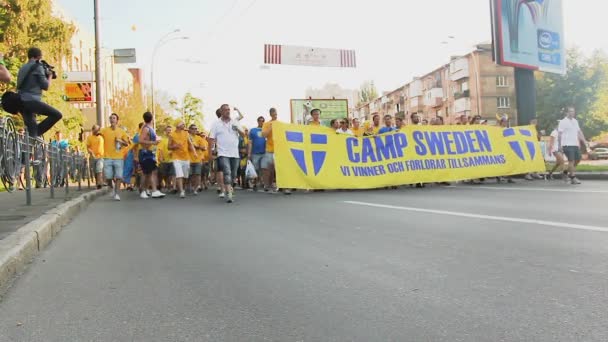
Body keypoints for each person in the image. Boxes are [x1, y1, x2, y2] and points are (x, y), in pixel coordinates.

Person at [17, 47, 62, 138]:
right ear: (38, 57)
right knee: (56, 115)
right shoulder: (38, 67)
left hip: (21, 102)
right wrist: (49, 76)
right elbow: (46, 86)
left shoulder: (22, 68)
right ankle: (36, 133)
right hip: (32, 101)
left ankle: (32, 142)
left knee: (32, 130)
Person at [209, 104, 245, 203]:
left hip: (234, 153)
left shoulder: (235, 122)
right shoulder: (216, 124)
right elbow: (211, 138)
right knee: (227, 172)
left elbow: (243, 134)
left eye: (229, 110)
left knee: (233, 175)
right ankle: (229, 193)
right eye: (225, 110)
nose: (228, 111)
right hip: (223, 153)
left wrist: (237, 128)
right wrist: (211, 151)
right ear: (221, 111)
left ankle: (230, 187)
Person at [99, 113, 129, 201]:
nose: (112, 120)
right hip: (107, 157)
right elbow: (98, 132)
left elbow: (127, 143)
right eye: (111, 118)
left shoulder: (121, 131)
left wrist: (120, 141)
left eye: (114, 118)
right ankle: (112, 188)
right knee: (108, 176)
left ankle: (117, 194)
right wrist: (96, 130)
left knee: (119, 176)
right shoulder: (105, 130)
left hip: (118, 157)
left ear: (117, 120)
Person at [558, 106, 588, 185]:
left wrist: (584, 141)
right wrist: (560, 145)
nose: (572, 113)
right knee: (571, 160)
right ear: (567, 113)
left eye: (573, 111)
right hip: (567, 145)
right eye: (570, 111)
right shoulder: (563, 122)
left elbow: (579, 132)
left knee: (578, 159)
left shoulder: (575, 121)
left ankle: (565, 172)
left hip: (575, 144)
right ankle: (573, 178)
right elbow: (560, 134)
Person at [169, 120, 197, 198]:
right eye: (182, 123)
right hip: (176, 158)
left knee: (185, 176)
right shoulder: (172, 135)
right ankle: (181, 191)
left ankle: (182, 188)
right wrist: (175, 146)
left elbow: (190, 144)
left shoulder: (186, 133)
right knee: (179, 174)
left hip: (186, 158)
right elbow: (169, 146)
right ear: (177, 125)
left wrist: (194, 152)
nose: (184, 125)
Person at [248, 116, 267, 191]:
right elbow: (250, 142)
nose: (261, 122)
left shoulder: (266, 130)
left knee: (264, 169)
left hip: (264, 153)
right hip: (255, 153)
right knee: (255, 169)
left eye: (263, 121)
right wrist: (249, 153)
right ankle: (255, 184)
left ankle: (264, 183)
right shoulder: (253, 130)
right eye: (260, 121)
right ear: (258, 121)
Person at [188, 124, 206, 195]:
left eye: (196, 129)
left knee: (198, 174)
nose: (195, 130)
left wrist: (197, 146)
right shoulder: (187, 137)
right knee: (191, 175)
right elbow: (187, 147)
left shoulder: (199, 138)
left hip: (198, 159)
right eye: (193, 128)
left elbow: (204, 148)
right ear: (190, 130)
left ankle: (195, 189)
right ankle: (191, 186)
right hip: (189, 159)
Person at [86, 125, 105, 189]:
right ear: (93, 130)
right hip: (93, 157)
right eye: (96, 130)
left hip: (101, 156)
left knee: (99, 169)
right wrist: (91, 152)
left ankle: (100, 183)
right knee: (94, 171)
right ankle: (97, 183)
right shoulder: (90, 138)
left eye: (98, 130)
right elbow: (88, 147)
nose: (97, 131)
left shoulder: (101, 137)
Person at [157, 125, 175, 192]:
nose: (169, 131)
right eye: (168, 130)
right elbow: (160, 149)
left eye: (170, 130)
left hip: (172, 159)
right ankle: (162, 185)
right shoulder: (162, 140)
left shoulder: (173, 139)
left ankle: (169, 185)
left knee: (171, 174)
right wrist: (161, 157)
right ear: (165, 131)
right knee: (163, 174)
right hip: (164, 160)